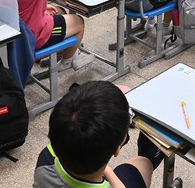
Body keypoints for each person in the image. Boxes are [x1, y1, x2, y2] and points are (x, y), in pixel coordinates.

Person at [33, 81, 162, 188]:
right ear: (117, 149)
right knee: (144, 163)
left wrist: (108, 170)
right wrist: (109, 172)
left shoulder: (46, 158)